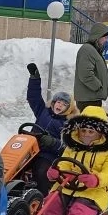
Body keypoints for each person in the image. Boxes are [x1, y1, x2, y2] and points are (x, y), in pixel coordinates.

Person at [41, 107, 108, 215]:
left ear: (101, 132)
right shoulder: (72, 146)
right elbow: (64, 163)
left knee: (79, 210)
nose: (86, 134)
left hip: (95, 191)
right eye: (83, 130)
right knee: (51, 202)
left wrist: (97, 179)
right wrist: (56, 171)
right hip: (68, 185)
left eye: (91, 131)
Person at [25, 63, 76, 193]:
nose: (60, 105)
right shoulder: (43, 111)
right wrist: (34, 78)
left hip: (49, 155)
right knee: (15, 165)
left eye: (64, 104)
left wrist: (52, 142)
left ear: (68, 108)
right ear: (53, 103)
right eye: (58, 102)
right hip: (30, 149)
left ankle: (42, 196)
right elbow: (33, 97)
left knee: (41, 171)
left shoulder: (68, 124)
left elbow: (67, 147)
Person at [74, 23, 108, 108]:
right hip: (88, 99)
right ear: (98, 37)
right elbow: (85, 74)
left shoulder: (94, 50)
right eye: (105, 37)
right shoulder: (87, 50)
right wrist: (98, 87)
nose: (107, 40)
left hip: (92, 97)